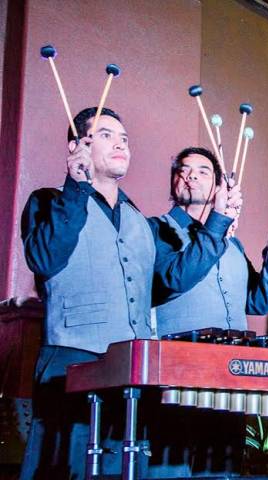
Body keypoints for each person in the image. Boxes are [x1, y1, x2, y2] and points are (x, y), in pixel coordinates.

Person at [20, 107, 241, 479]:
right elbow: (44, 258)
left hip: (131, 369)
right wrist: (76, 188)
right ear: (76, 146)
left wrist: (218, 220)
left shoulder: (139, 219)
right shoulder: (47, 200)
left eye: (124, 138)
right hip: (71, 361)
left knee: (124, 468)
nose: (120, 143)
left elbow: (170, 281)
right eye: (106, 135)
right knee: (61, 468)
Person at [151, 146, 268, 335]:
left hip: (234, 351)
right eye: (183, 171)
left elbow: (257, 304)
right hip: (180, 350)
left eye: (203, 172)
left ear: (219, 188)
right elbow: (175, 280)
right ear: (173, 182)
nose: (191, 176)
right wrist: (218, 220)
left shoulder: (232, 243)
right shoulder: (155, 229)